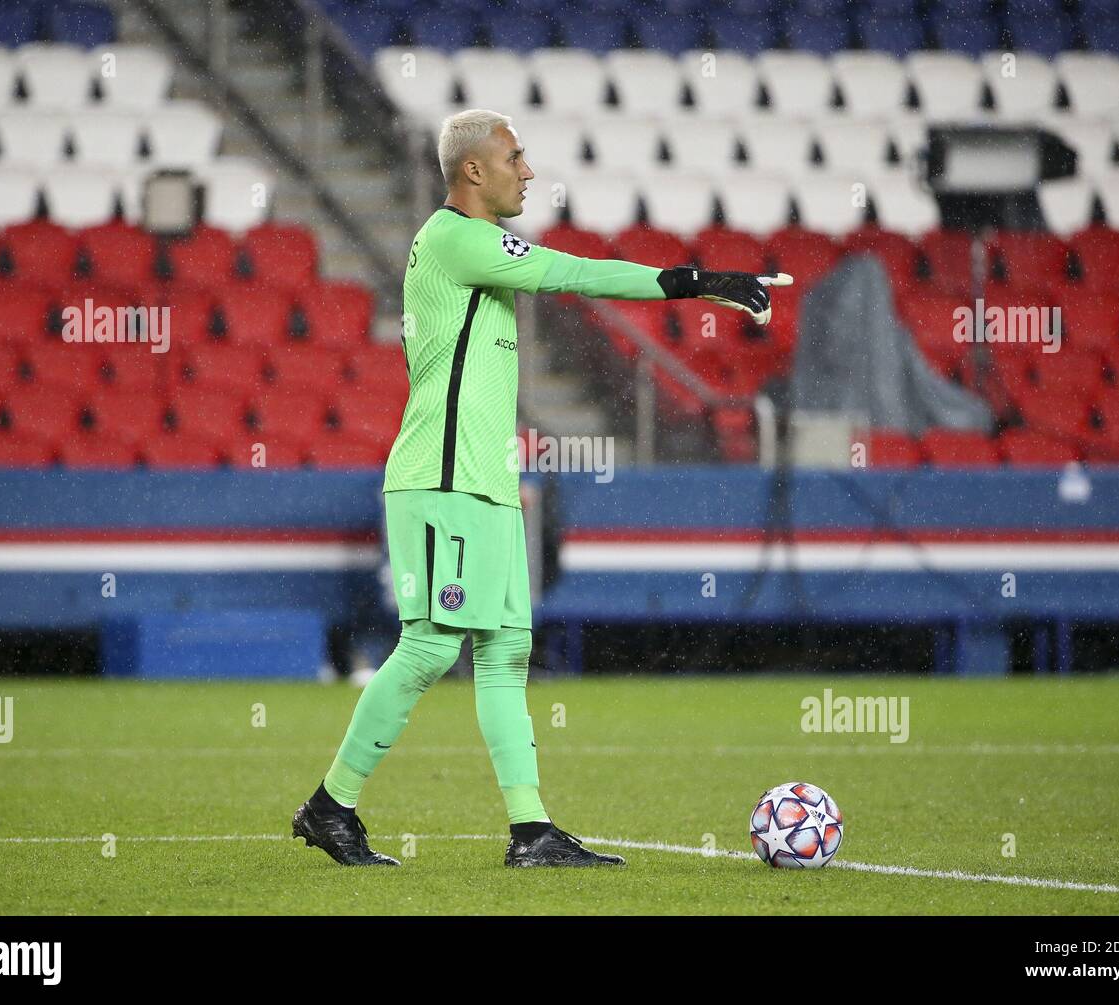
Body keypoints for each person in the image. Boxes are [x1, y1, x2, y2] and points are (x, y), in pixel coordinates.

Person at [292, 108, 779, 867]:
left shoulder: (476, 248)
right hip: (441, 478)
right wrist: (691, 281)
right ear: (473, 171)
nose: (528, 170)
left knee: (506, 650)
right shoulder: (459, 238)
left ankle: (531, 831)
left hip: (486, 484)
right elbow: (574, 273)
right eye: (514, 158)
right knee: (427, 647)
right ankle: (331, 806)